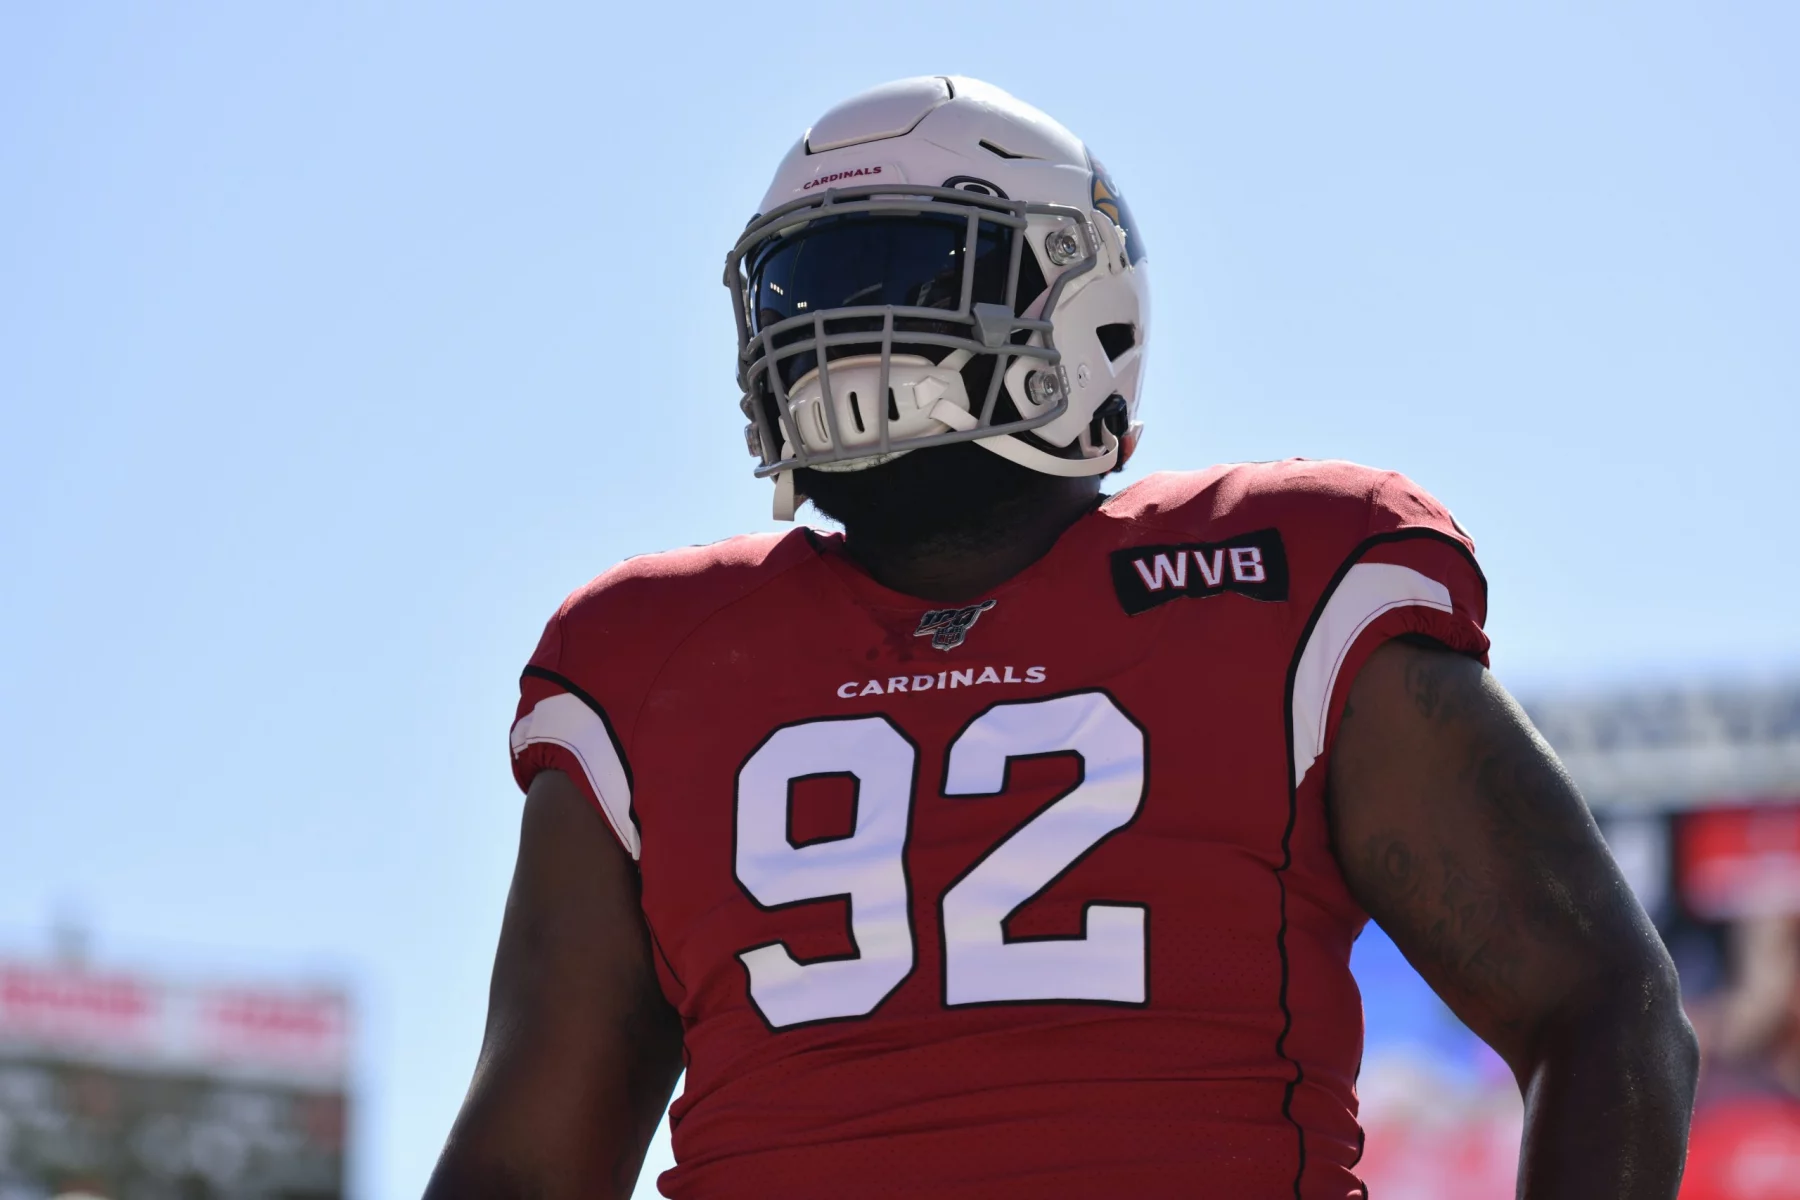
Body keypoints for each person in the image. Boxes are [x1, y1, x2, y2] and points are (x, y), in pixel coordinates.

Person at [423, 76, 1698, 1199]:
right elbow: (528, 1164)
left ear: (1084, 311)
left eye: (905, 277)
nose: (836, 327)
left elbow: (1601, 1007)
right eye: (807, 286)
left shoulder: (1282, 577)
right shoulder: (645, 655)